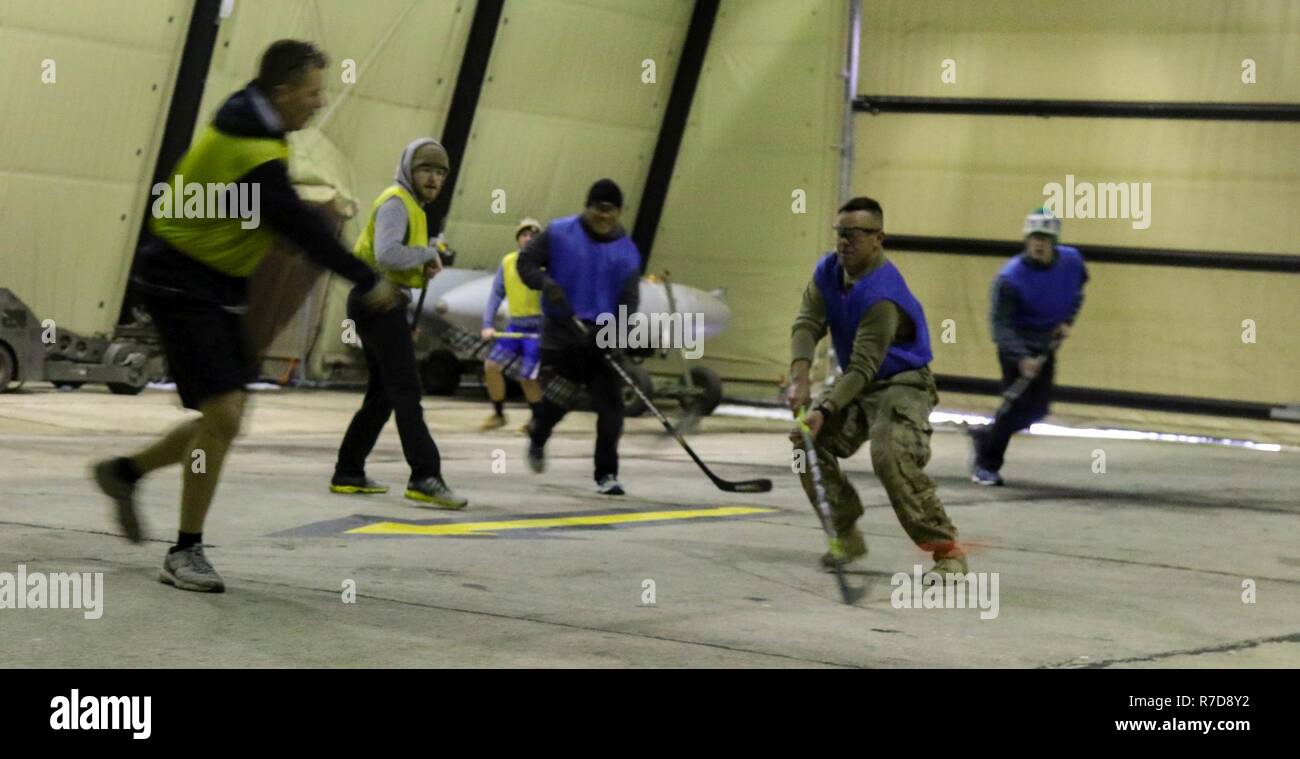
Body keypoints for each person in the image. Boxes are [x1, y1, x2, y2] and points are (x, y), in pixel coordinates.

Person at [92, 40, 401, 593]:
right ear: (282, 92)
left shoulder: (256, 124)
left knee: (222, 419)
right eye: (311, 93)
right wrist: (369, 279)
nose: (319, 102)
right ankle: (185, 552)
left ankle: (125, 473)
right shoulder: (251, 149)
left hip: (216, 284)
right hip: (181, 282)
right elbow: (304, 230)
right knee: (226, 417)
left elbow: (266, 214)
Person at [786, 196, 967, 578]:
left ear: (878, 238)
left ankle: (947, 552)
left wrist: (823, 409)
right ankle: (845, 533)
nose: (843, 243)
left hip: (902, 383)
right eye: (840, 234)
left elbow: (863, 366)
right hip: (860, 380)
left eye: (853, 235)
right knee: (807, 446)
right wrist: (799, 377)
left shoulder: (882, 295)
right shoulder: (828, 272)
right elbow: (806, 323)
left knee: (890, 455)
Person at [330, 138, 468, 510]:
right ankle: (425, 475)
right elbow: (386, 253)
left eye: (441, 172)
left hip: (384, 302)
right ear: (409, 169)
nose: (434, 178)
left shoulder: (415, 209)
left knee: (384, 393)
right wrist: (427, 253)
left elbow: (398, 261)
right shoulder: (397, 202)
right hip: (377, 300)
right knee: (407, 388)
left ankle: (348, 471)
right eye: (426, 169)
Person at [516, 180, 641, 495]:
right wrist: (546, 284)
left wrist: (615, 336)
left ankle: (606, 474)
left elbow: (629, 302)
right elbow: (525, 263)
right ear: (586, 207)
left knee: (612, 410)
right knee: (557, 404)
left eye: (609, 211)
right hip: (562, 335)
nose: (603, 217)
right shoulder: (559, 233)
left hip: (601, 338)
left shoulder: (627, 252)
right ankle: (538, 435)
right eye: (597, 209)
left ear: (619, 212)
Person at [970, 207, 1087, 485]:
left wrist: (1067, 319)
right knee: (1015, 405)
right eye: (1034, 237)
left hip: (1046, 342)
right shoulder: (1010, 278)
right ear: (1027, 239)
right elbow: (1000, 325)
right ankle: (986, 465)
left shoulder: (1072, 261)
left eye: (1045, 238)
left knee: (1038, 410)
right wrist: (1022, 357)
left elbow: (1077, 290)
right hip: (1017, 344)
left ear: (1054, 241)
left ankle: (986, 435)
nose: (1038, 243)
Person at [479, 217, 544, 432]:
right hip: (515, 327)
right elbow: (496, 294)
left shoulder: (547, 264)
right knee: (491, 366)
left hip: (537, 329)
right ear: (518, 239)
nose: (528, 238)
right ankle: (498, 415)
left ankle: (536, 421)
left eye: (533, 236)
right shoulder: (508, 262)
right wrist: (487, 324)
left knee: (528, 377)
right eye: (524, 235)